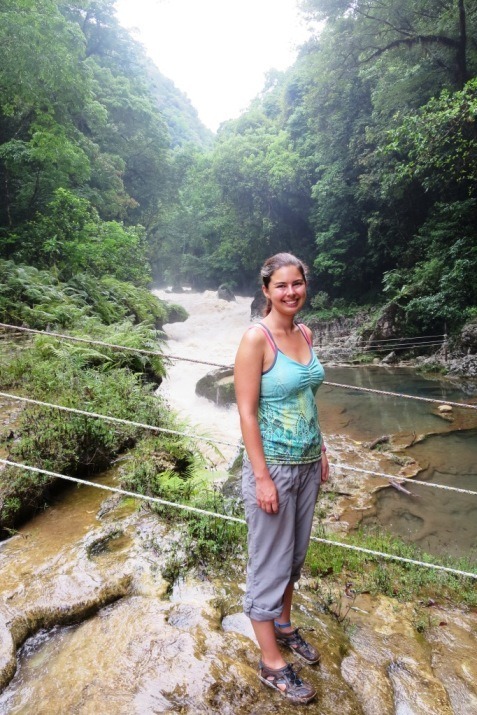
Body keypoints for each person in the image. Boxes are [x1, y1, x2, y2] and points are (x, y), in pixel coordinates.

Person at [234, 252, 328, 705]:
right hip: (273, 468)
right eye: (281, 286)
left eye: (298, 284)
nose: (291, 292)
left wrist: (322, 449)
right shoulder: (258, 339)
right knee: (269, 565)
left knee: (293, 558)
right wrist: (262, 477)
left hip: (308, 464)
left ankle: (285, 626)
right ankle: (271, 663)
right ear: (266, 291)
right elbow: (247, 414)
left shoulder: (305, 332)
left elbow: (307, 397)